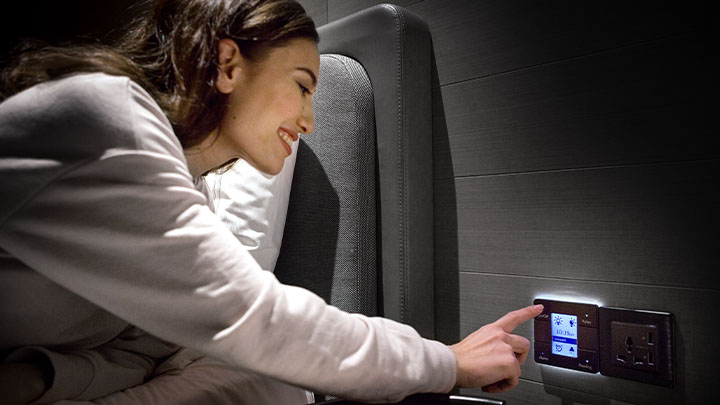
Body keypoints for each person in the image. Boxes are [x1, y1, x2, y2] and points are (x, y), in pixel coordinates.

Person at [0, 0, 543, 403]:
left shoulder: (176, 179)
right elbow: (255, 319)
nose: (310, 122)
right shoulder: (107, 119)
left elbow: (145, 346)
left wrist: (40, 378)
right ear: (229, 64)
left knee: (265, 382)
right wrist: (446, 362)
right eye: (304, 87)